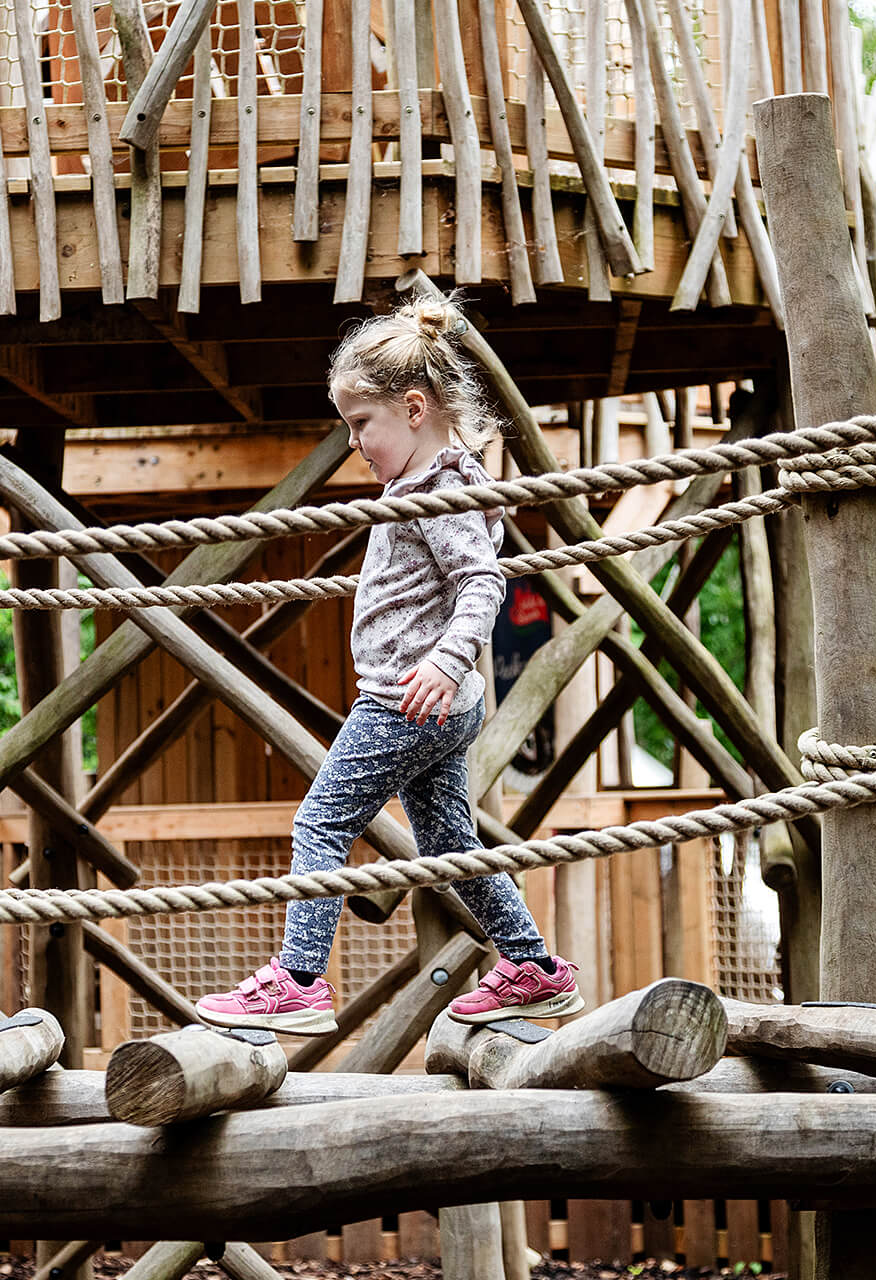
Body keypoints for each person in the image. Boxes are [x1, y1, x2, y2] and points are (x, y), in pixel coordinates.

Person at [196, 295, 580, 1035]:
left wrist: (446, 657)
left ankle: (300, 980)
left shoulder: (441, 490)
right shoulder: (424, 483)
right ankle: (530, 967)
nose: (355, 443)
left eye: (361, 424)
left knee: (321, 821)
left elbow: (482, 581)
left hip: (409, 698)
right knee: (447, 842)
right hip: (436, 699)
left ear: (413, 407)